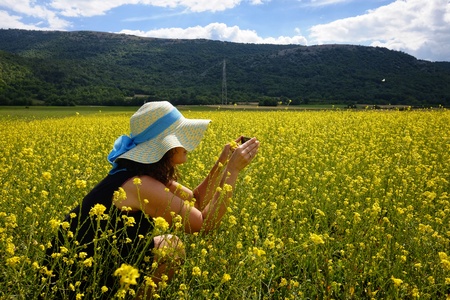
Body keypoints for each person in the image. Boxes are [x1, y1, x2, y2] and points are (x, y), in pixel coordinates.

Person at [42, 101, 259, 299]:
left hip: (95, 265)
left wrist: (223, 161)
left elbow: (195, 200)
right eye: (181, 137)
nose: (187, 144)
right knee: (171, 248)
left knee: (170, 246)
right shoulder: (141, 185)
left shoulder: (140, 173)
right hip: (71, 284)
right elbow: (203, 224)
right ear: (167, 145)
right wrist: (233, 170)